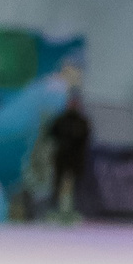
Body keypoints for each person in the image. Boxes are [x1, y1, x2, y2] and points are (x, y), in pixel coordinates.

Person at [39, 88, 93, 221]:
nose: (73, 105)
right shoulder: (61, 120)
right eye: (71, 102)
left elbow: (84, 139)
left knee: (72, 187)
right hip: (61, 160)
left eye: (75, 102)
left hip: (74, 161)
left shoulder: (82, 122)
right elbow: (51, 135)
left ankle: (70, 212)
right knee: (58, 186)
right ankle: (57, 211)